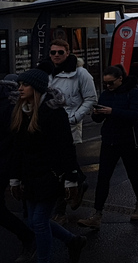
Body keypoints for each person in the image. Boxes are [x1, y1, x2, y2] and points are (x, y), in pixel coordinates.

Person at [9, 69, 87, 263]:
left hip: (50, 175)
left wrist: (71, 178)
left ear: (35, 87)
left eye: (24, 85)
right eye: (19, 85)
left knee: (39, 221)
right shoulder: (21, 110)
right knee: (33, 220)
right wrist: (15, 177)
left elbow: (65, 146)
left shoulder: (53, 111)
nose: (20, 89)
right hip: (31, 175)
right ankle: (72, 241)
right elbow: (17, 148)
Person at [78, 65, 138, 230]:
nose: (108, 86)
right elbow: (98, 119)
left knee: (133, 173)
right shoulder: (106, 94)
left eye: (111, 83)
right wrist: (97, 114)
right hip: (109, 139)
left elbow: (134, 114)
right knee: (103, 177)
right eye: (105, 83)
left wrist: (112, 111)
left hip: (129, 140)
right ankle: (97, 213)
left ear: (120, 79)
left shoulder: (133, 92)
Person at [38, 39, 96, 224]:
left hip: (68, 124)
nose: (56, 55)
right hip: (47, 126)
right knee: (56, 165)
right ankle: (79, 183)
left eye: (60, 52)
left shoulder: (80, 73)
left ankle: (60, 210)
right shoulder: (45, 72)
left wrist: (75, 117)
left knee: (62, 167)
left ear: (68, 52)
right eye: (53, 52)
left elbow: (90, 98)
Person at [0, 73, 36, 263]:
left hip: (7, 163)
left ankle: (29, 237)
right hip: (9, 163)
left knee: (36, 216)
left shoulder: (9, 108)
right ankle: (70, 239)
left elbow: (15, 142)